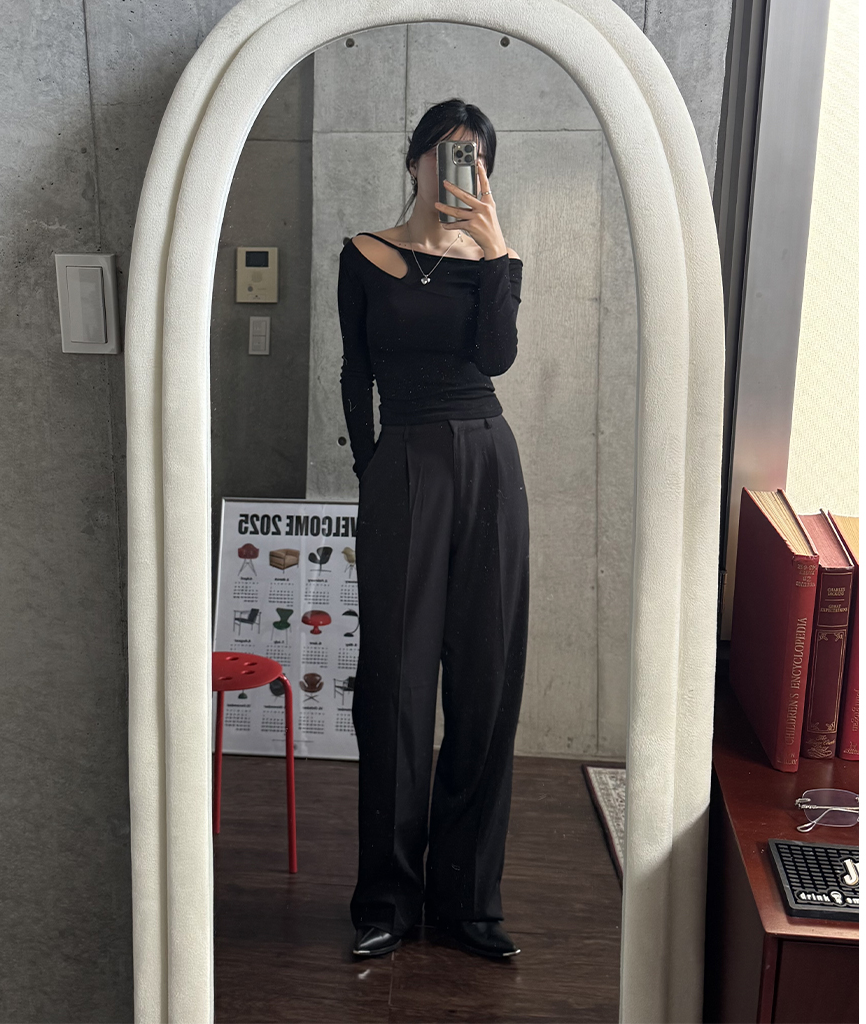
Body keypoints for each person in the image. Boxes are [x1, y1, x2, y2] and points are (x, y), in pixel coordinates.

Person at [337, 98, 529, 961]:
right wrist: (372, 469)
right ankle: (386, 899)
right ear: (414, 159)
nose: (459, 170)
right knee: (395, 686)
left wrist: (497, 253)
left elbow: (496, 359)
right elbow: (356, 372)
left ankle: (469, 900)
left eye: (475, 158)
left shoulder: (493, 260)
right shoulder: (363, 255)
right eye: (448, 153)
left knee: (486, 682)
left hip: (488, 462)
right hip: (404, 463)